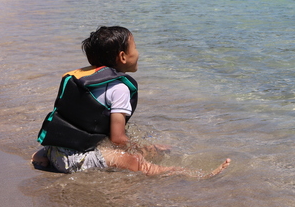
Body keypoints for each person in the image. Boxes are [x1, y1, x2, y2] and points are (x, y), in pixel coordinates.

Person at [31, 26, 230, 177]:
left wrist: (146, 148)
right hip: (74, 160)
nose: (139, 53)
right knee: (133, 160)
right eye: (135, 48)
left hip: (55, 150)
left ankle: (45, 156)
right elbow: (117, 138)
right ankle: (188, 174)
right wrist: (138, 151)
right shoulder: (119, 88)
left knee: (154, 149)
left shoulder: (80, 78)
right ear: (123, 57)